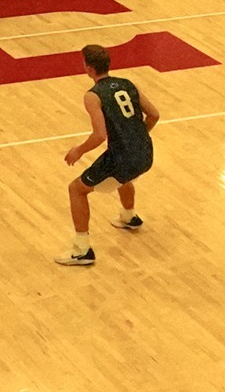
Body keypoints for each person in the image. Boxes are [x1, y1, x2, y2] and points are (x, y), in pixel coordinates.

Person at [55, 44, 159, 266]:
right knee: (123, 176)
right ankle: (128, 216)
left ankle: (82, 250)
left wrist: (78, 150)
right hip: (146, 152)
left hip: (123, 158)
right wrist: (137, 137)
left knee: (76, 189)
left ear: (89, 68)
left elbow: (100, 135)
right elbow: (154, 114)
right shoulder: (127, 84)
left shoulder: (93, 95)